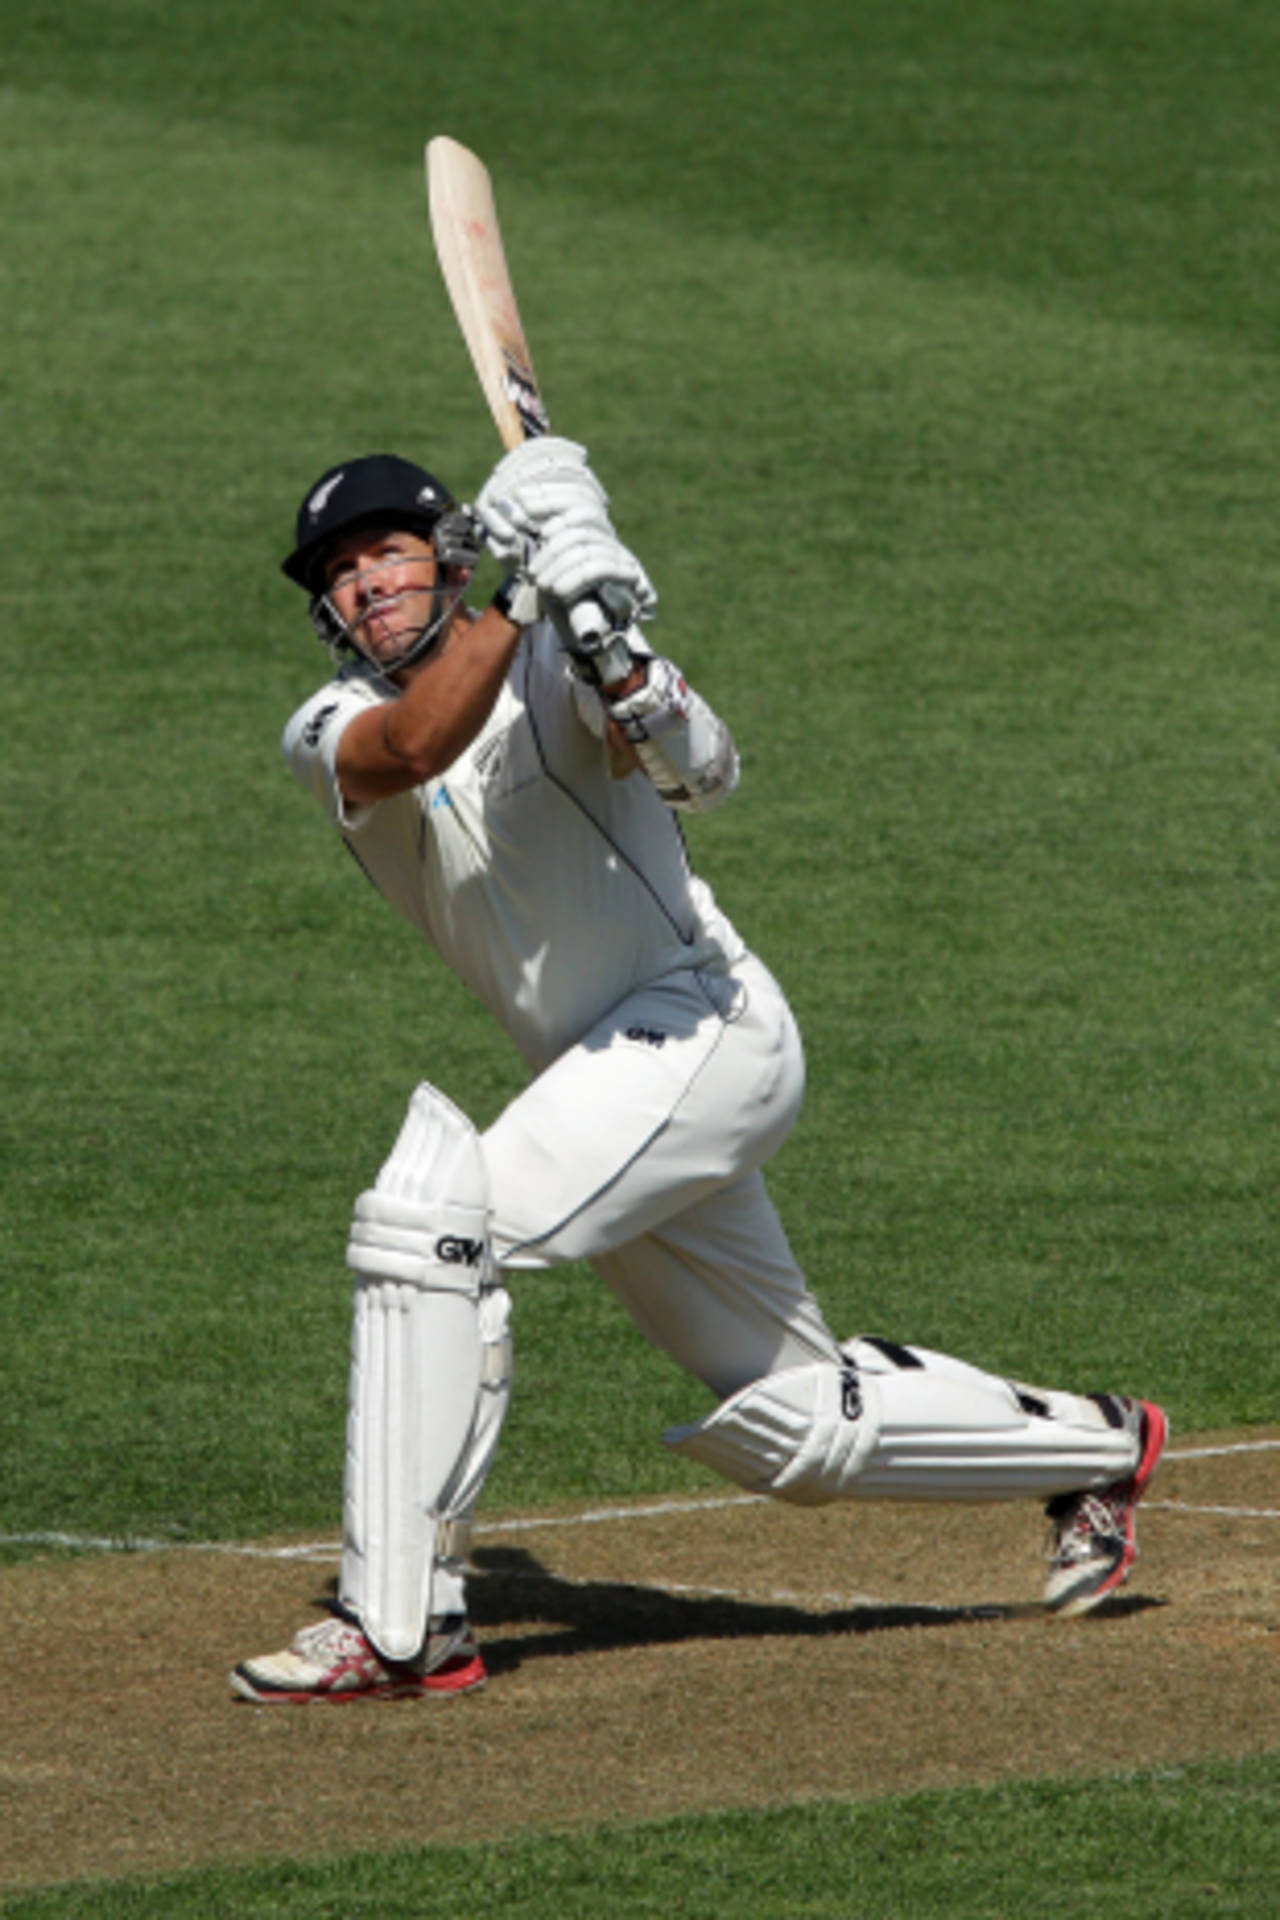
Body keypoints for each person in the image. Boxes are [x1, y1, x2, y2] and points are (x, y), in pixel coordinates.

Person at [231, 439, 1167, 1702]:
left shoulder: (554, 648)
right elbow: (412, 748)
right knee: (797, 1428)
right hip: (601, 1084)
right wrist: (526, 593)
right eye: (337, 572)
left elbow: (701, 771)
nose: (362, 585)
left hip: (697, 1031)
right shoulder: (331, 724)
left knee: (431, 1227)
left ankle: (402, 1624)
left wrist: (609, 636)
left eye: (386, 550)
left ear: (446, 551)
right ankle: (1095, 1450)